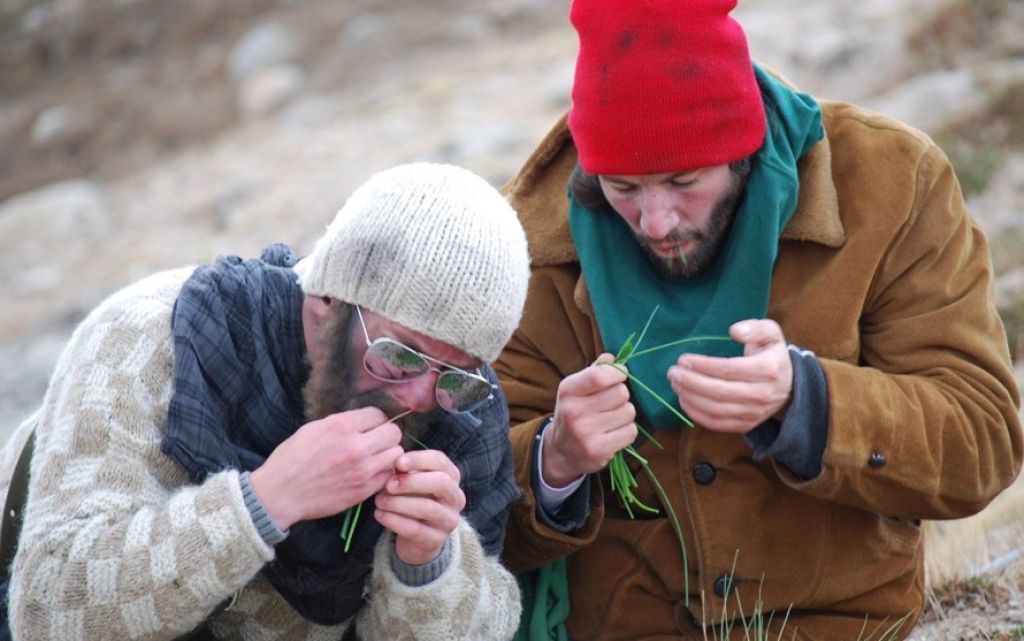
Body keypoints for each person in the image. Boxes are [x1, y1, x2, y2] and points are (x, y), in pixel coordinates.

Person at [494, 0, 1024, 639]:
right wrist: (555, 459)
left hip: (842, 624)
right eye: (623, 189)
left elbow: (983, 442)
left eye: (684, 180)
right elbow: (467, 508)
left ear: (741, 151)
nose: (656, 221)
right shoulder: (520, 241)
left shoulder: (893, 185)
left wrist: (809, 402)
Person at [0, 162, 530, 641]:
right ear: (327, 302)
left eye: (455, 372)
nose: (418, 396)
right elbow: (48, 609)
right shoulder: (152, 338)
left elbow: (486, 623)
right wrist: (265, 500)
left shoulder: (467, 409)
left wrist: (427, 564)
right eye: (398, 355)